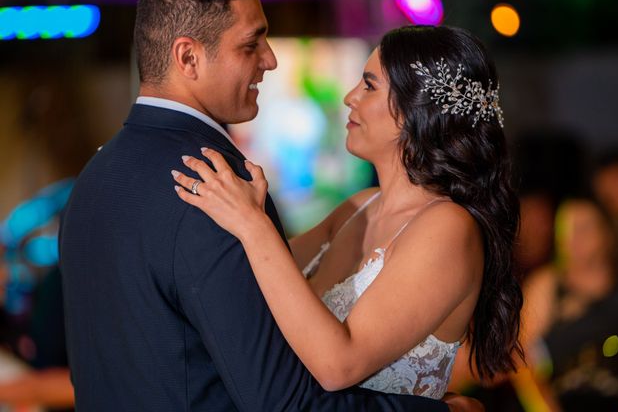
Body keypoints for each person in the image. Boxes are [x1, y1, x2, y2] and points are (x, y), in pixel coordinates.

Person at [58, 0, 479, 412]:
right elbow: (281, 402)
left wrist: (254, 225)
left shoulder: (96, 177)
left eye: (369, 84)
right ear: (188, 57)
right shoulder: (213, 184)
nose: (271, 60)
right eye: (250, 43)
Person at [173, 25, 524, 399]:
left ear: (415, 110)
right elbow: (247, 281)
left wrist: (253, 223)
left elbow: (338, 365)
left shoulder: (447, 227)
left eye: (369, 85)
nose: (349, 97)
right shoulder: (359, 207)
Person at [522, 198, 618, 411]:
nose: (574, 236)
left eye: (584, 227)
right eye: (566, 228)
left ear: (606, 233)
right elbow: (524, 366)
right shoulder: (547, 284)